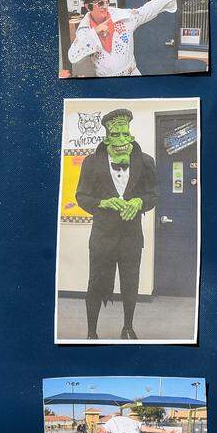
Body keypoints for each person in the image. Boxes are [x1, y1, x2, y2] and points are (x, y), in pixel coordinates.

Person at [74, 109, 159, 340]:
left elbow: (154, 195)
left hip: (131, 237)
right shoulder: (91, 162)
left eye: (125, 133)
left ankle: (128, 327)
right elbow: (81, 196)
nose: (122, 139)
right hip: (102, 237)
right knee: (95, 284)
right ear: (106, 137)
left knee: (130, 284)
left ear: (130, 134)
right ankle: (92, 332)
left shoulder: (146, 161)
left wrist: (140, 201)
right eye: (116, 134)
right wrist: (102, 203)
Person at [67, 0, 197, 77]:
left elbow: (146, 10)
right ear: (88, 7)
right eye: (100, 4)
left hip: (132, 74)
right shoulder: (85, 30)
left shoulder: (122, 17)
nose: (106, 6)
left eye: (107, 2)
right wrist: (95, 32)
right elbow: (73, 56)